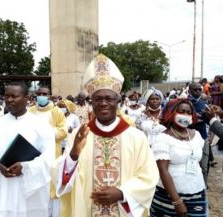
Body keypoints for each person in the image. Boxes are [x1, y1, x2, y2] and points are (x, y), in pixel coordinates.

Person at [51, 54, 159, 217]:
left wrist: (122, 193)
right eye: (97, 99)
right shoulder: (79, 135)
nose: (103, 103)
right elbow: (61, 176)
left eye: (109, 98)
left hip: (122, 209)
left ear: (118, 101)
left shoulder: (136, 137)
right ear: (91, 102)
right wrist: (74, 153)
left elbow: (149, 176)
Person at [0, 82, 56, 217]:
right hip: (5, 186)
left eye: (14, 96)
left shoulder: (41, 125)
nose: (9, 100)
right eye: (6, 96)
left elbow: (49, 157)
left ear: (26, 98)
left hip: (32, 189)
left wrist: (26, 167)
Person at [150, 99, 207, 217]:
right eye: (181, 111)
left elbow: (197, 162)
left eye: (188, 112)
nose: (185, 115)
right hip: (169, 197)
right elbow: (163, 170)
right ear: (171, 113)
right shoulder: (163, 138)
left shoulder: (196, 135)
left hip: (197, 192)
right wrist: (177, 201)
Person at [28, 86, 67, 158]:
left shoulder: (57, 111)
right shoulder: (30, 111)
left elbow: (63, 132)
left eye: (44, 94)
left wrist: (46, 132)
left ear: (49, 96)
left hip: (52, 150)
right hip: (34, 149)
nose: (41, 96)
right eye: (39, 94)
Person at [187, 82, 210, 185]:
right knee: (190, 164)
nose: (198, 92)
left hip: (203, 137)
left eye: (199, 90)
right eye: (195, 90)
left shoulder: (205, 104)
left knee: (204, 166)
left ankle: (204, 187)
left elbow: (209, 120)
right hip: (188, 138)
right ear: (189, 91)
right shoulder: (185, 103)